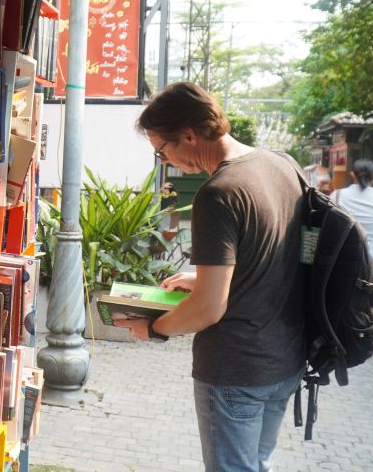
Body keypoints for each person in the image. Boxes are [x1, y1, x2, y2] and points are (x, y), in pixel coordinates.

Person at [129, 81, 306, 472]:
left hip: (236, 368)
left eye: (163, 151)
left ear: (189, 135)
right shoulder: (282, 164)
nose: (166, 162)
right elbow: (277, 255)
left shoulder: (218, 193)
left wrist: (155, 329)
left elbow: (208, 310)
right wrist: (202, 278)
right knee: (258, 464)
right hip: (286, 359)